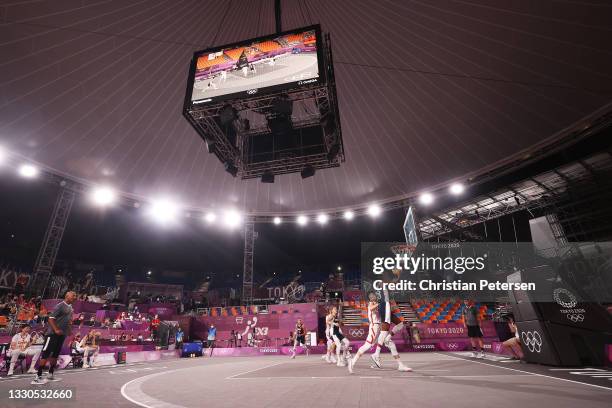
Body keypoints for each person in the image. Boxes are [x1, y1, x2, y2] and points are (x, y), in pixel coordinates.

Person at [349, 291, 411, 373]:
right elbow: (371, 308)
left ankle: (400, 365)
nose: (372, 297)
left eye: (373, 295)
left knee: (390, 344)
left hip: (379, 327)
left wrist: (387, 306)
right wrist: (382, 303)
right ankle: (352, 362)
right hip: (374, 327)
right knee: (367, 345)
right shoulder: (371, 304)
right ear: (369, 299)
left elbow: (387, 311)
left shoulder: (378, 303)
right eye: (371, 296)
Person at [33, 291, 76, 384]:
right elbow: (50, 318)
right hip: (52, 334)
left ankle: (50, 374)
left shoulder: (71, 308)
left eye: (75, 296)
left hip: (61, 335)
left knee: (55, 354)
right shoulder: (60, 306)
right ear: (67, 296)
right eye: (73, 296)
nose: (75, 297)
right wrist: (56, 329)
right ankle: (37, 377)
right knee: (46, 353)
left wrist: (69, 331)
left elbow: (68, 321)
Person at [369, 288, 411, 372]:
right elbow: (371, 307)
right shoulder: (381, 302)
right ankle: (376, 354)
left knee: (399, 326)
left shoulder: (386, 303)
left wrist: (390, 335)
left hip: (386, 307)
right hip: (384, 308)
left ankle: (400, 365)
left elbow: (400, 325)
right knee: (384, 333)